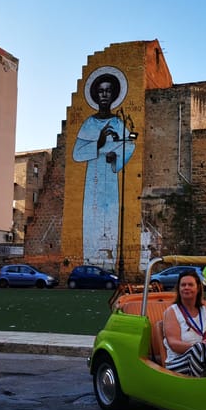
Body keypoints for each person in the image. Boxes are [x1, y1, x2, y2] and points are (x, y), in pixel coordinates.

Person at [72, 69, 135, 265]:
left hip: (111, 177)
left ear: (114, 94)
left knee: (111, 216)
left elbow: (130, 144)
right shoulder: (89, 123)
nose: (105, 94)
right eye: (101, 91)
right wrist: (98, 143)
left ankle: (110, 264)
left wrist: (116, 155)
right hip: (93, 178)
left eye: (109, 91)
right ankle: (90, 262)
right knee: (92, 216)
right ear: (96, 95)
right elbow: (76, 153)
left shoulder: (118, 122)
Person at [162, 269, 206, 377]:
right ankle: (200, 386)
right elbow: (173, 344)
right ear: (179, 288)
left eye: (190, 284)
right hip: (178, 361)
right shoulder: (172, 311)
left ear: (198, 288)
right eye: (183, 285)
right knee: (199, 348)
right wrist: (198, 346)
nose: (186, 287)